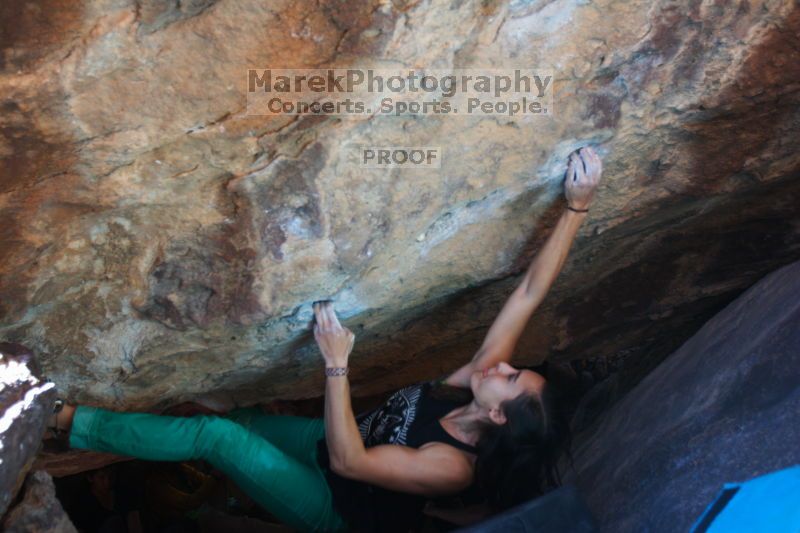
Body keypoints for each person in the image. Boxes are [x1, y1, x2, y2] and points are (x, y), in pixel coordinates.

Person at [47, 146, 603, 532]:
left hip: (334, 505)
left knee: (218, 436)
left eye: (508, 380)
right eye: (509, 369)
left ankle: (62, 421)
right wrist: (578, 205)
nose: (501, 368)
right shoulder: (469, 389)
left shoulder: (452, 465)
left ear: (500, 418)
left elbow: (350, 463)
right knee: (233, 422)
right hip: (326, 438)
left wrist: (336, 365)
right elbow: (528, 294)